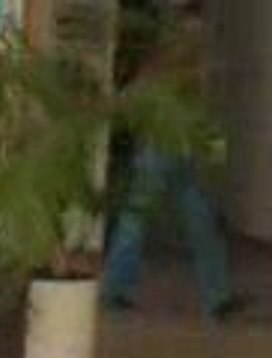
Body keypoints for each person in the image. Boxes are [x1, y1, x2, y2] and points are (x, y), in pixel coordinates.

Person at [101, 0, 241, 320]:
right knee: (159, 219)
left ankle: (216, 297)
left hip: (176, 147)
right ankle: (214, 298)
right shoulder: (176, 66)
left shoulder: (171, 63)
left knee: (195, 220)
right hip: (163, 148)